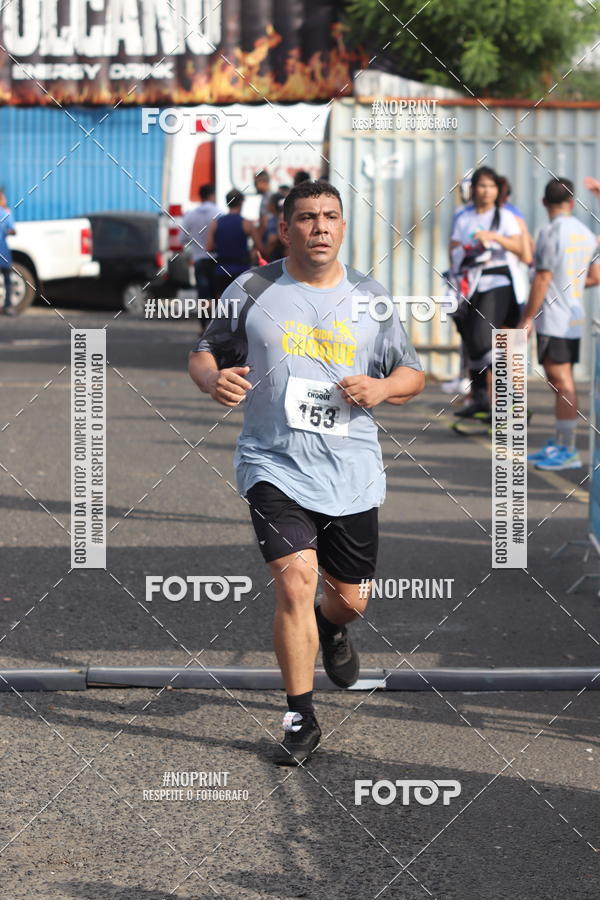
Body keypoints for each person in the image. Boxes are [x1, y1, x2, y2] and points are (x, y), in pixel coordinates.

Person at [188, 180, 424, 765]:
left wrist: (384, 386)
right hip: (273, 462)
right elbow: (204, 351)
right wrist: (210, 378)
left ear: (343, 227)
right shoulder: (253, 287)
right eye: (307, 217)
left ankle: (333, 625)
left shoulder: (371, 297)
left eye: (330, 217)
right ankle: (300, 715)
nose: (320, 226)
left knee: (351, 599)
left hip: (351, 470)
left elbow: (413, 373)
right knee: (294, 580)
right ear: (285, 228)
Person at [522, 177, 600, 470]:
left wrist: (526, 318)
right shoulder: (585, 232)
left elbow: (542, 278)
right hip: (572, 318)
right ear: (572, 201)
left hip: (554, 319)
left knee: (561, 381)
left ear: (544, 202)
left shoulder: (550, 232)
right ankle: (560, 444)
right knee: (561, 381)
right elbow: (595, 277)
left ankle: (567, 450)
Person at [450, 166, 527, 419]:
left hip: (498, 282)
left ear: (498, 190)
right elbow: (453, 247)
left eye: (491, 186)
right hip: (470, 282)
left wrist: (493, 238)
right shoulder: (463, 217)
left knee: (485, 340)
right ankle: (481, 398)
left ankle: (513, 398)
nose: (486, 191)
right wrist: (468, 248)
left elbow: (521, 248)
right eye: (482, 186)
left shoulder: (504, 216)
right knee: (472, 342)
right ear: (473, 190)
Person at [205, 189, 263, 297]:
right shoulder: (247, 223)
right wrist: (251, 252)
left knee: (223, 307)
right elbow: (260, 247)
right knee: (241, 305)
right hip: (241, 271)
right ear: (241, 202)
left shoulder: (216, 223)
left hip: (221, 270)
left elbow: (209, 247)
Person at [179, 183, 220, 320]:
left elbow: (182, 238)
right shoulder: (218, 213)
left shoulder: (191, 215)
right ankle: (216, 326)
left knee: (203, 294)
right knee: (216, 293)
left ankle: (203, 327)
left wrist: (195, 239)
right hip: (215, 259)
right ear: (212, 195)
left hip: (198, 259)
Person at [0, 189, 16, 316]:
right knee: (7, 281)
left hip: (3, 252)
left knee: (7, 280)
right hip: (3, 253)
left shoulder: (5, 212)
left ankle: (8, 306)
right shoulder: (5, 213)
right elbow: (13, 231)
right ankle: (8, 306)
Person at [254, 170, 271, 235]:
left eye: (256, 183)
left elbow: (264, 223)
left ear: (263, 182)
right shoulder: (267, 197)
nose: (255, 186)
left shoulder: (267, 199)